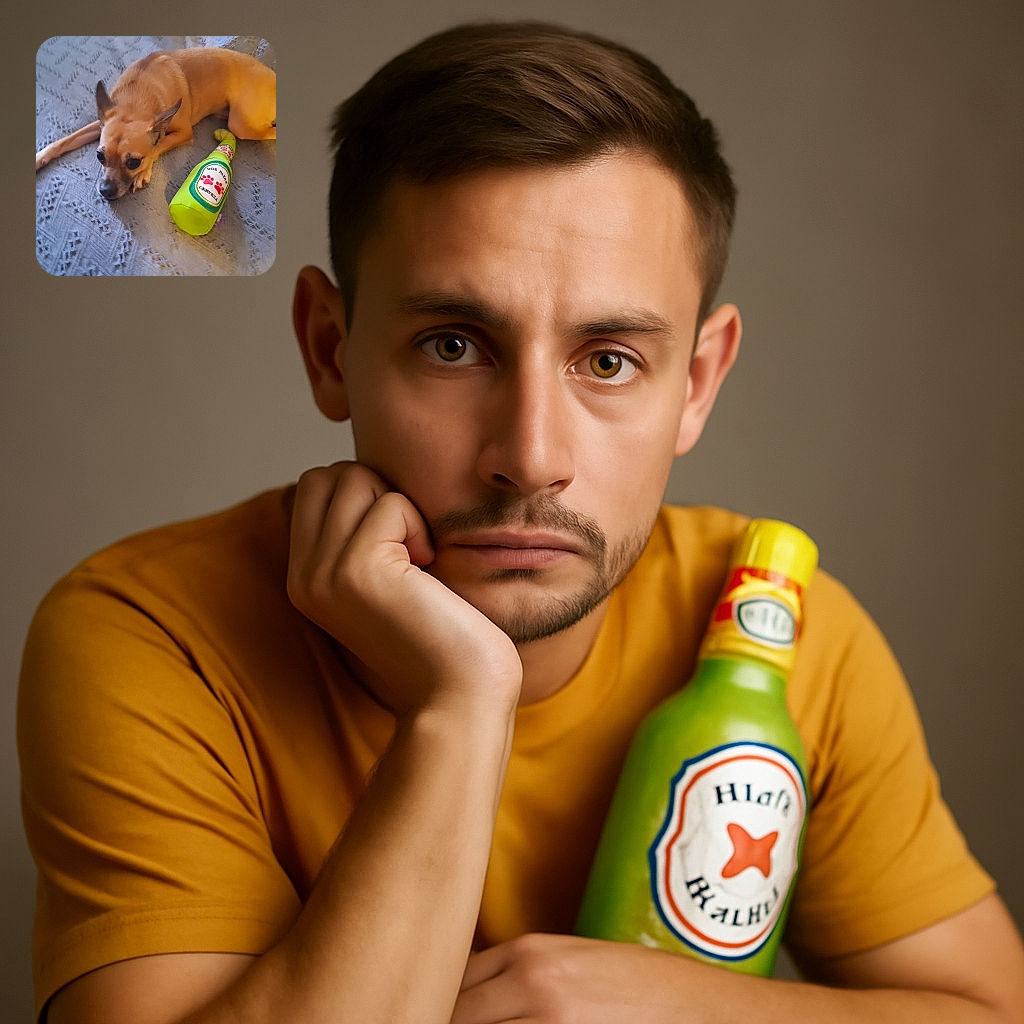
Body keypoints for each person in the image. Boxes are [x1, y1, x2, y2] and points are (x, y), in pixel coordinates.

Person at [18, 20, 1024, 1024]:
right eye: (454, 345)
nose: (532, 455)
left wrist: (689, 1010)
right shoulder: (149, 637)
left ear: (697, 382)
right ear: (329, 347)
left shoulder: (774, 631)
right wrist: (460, 705)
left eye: (609, 360)